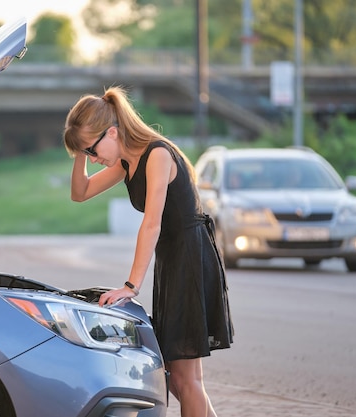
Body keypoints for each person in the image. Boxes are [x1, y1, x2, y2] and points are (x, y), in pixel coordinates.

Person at [63, 86, 233, 417]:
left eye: (94, 150)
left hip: (189, 258)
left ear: (112, 132)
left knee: (185, 380)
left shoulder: (156, 155)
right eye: (88, 154)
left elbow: (151, 224)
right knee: (181, 378)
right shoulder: (128, 162)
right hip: (174, 260)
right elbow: (80, 192)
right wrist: (81, 148)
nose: (94, 159)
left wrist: (130, 286)